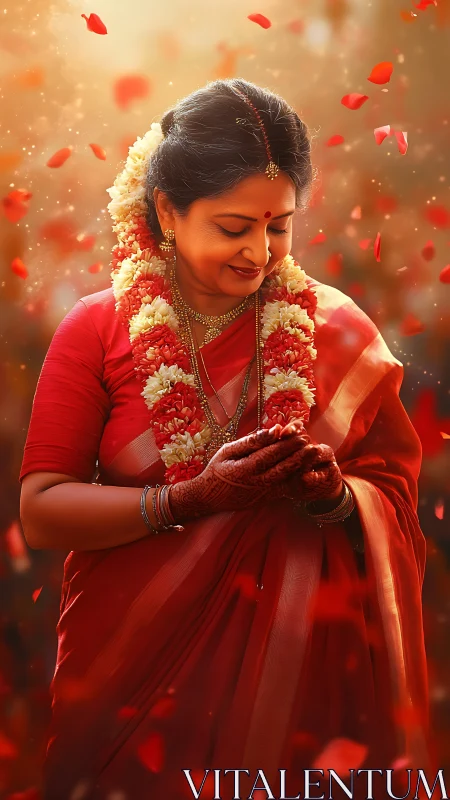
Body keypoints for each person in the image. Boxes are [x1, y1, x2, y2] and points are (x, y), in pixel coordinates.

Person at [19, 78, 432, 800]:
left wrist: (337, 499)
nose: (259, 252)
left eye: (279, 226)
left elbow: (392, 497)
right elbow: (42, 509)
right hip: (131, 674)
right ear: (167, 213)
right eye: (234, 227)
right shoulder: (96, 328)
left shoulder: (338, 333)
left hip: (295, 683)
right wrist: (188, 498)